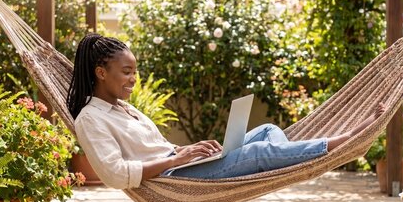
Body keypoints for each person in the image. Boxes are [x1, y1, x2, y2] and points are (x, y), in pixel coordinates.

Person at [67, 34, 384, 190]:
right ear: (100, 72)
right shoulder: (91, 119)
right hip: (176, 180)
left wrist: (188, 150)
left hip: (184, 164)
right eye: (127, 71)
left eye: (135, 72)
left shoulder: (124, 109)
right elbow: (116, 175)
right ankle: (341, 141)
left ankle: (286, 157)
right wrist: (177, 159)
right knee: (260, 150)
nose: (133, 79)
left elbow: (153, 148)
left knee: (267, 129)